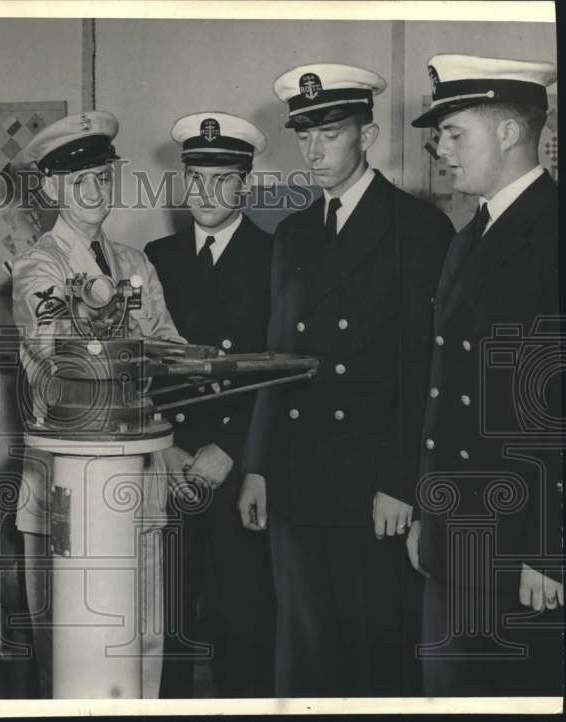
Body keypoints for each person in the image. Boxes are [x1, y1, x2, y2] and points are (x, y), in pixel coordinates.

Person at [238, 63, 455, 696]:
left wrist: (399, 480)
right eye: (303, 135)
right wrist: (258, 465)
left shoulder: (415, 228)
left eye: (330, 132)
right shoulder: (295, 232)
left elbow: (424, 369)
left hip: (370, 488)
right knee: (303, 656)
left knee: (372, 658)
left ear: (368, 134)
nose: (313, 149)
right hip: (297, 480)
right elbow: (275, 360)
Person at [12, 110, 187, 698]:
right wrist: (141, 343)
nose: (95, 190)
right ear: (52, 188)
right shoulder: (38, 266)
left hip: (138, 477)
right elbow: (62, 347)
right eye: (79, 179)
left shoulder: (137, 262)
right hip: (69, 486)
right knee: (70, 647)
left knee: (143, 638)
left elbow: (171, 344)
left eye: (103, 177)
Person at [407, 53, 562, 696]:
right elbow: (445, 388)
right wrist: (428, 510)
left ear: (508, 132)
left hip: (520, 544)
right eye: (439, 135)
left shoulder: (550, 232)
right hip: (457, 529)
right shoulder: (470, 235)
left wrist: (549, 548)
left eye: (454, 132)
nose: (441, 149)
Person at [145, 112, 275, 698]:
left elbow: (279, 371)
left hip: (237, 468)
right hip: (168, 465)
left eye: (221, 179)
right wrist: (166, 444)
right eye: (194, 177)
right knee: (165, 622)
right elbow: (142, 363)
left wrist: (232, 449)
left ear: (244, 184)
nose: (204, 192)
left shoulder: (276, 255)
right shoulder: (157, 256)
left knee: (242, 626)